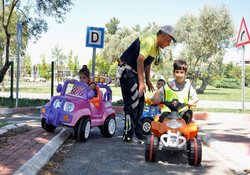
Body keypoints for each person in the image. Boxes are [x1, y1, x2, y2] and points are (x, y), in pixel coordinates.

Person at [118, 24, 176, 142]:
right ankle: (127, 135)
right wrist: (141, 82)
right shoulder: (150, 41)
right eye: (168, 40)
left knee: (140, 104)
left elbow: (147, 64)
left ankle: (138, 132)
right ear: (162, 35)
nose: (169, 43)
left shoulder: (156, 48)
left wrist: (148, 80)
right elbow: (140, 60)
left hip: (135, 73)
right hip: (128, 71)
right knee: (132, 104)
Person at [152, 59, 199, 124]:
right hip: (168, 110)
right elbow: (158, 92)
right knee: (163, 118)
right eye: (177, 72)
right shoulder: (168, 85)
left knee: (188, 114)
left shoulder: (188, 86)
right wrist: (156, 98)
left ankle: (184, 130)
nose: (179, 74)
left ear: (185, 73)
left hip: (182, 110)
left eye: (182, 72)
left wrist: (192, 102)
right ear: (174, 72)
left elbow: (196, 98)